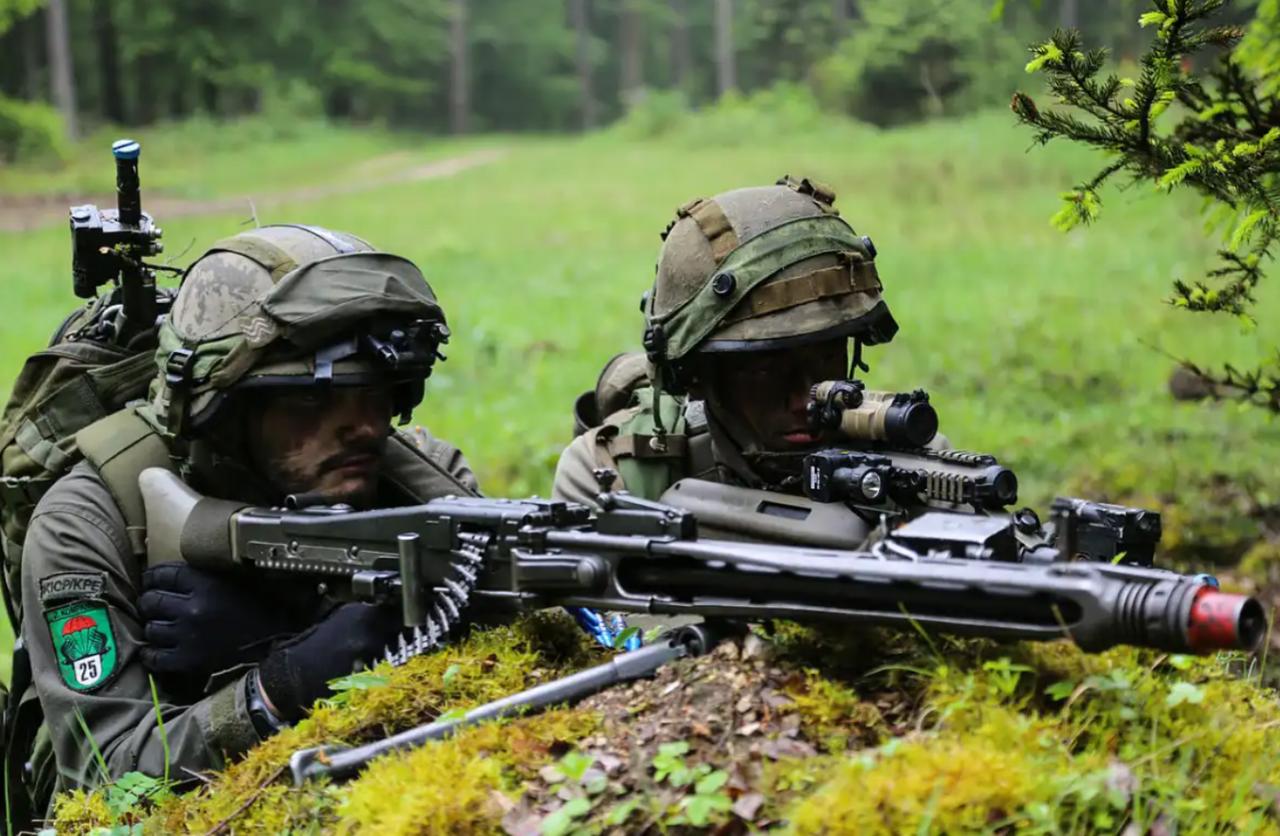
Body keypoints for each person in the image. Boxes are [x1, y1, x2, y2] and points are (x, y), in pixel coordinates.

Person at [17, 224, 477, 808]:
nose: (363, 425)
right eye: (312, 397)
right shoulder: (89, 523)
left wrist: (279, 637)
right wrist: (276, 686)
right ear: (221, 407)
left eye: (379, 392)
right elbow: (108, 783)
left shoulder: (429, 487)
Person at [552, 176, 899, 508]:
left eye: (826, 358)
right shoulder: (615, 475)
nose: (802, 399)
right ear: (697, 374)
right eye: (766, 370)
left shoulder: (912, 471)